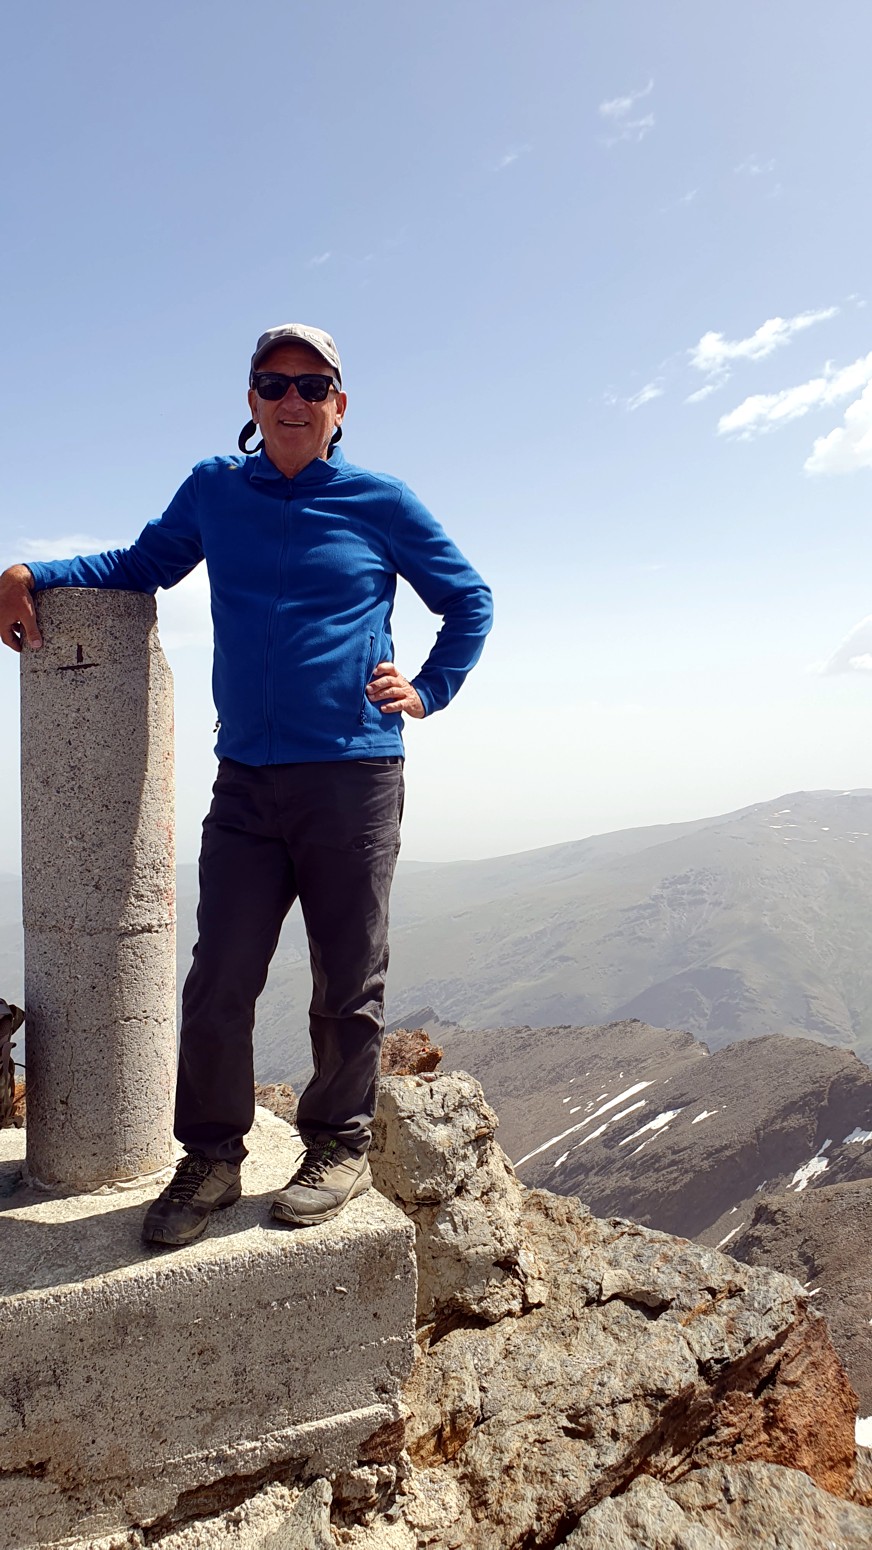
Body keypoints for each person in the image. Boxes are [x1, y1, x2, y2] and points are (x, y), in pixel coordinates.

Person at [0, 322, 493, 1246]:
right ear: (252, 401)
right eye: (274, 384)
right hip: (247, 782)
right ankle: (213, 1158)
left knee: (347, 978)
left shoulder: (381, 501)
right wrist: (31, 572)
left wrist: (428, 689)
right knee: (219, 976)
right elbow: (140, 567)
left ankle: (338, 1146)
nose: (292, 400)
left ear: (339, 406)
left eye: (311, 386)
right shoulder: (215, 490)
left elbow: (469, 599)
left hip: (352, 773)